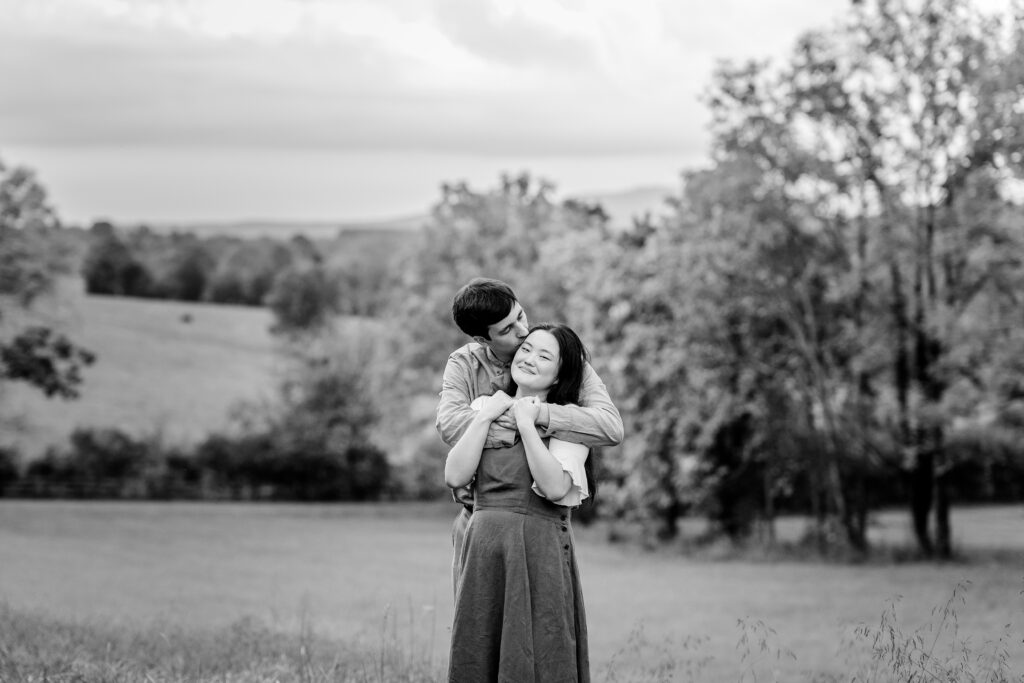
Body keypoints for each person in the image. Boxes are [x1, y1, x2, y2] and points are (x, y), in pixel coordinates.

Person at [435, 278, 623, 593]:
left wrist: (538, 415)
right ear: (484, 338)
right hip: (476, 520)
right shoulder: (465, 364)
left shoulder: (563, 355)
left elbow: (608, 426)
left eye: (520, 316)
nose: (523, 331)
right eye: (507, 330)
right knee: (477, 629)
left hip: (538, 526)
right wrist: (514, 417)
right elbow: (452, 425)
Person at [445, 323, 596, 682]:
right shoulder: (485, 404)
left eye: (544, 356)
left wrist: (528, 424)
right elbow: (455, 475)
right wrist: (485, 415)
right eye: (527, 349)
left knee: (539, 647)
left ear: (560, 375)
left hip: (536, 548)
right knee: (479, 645)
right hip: (483, 546)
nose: (529, 358)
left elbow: (555, 487)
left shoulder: (570, 421)